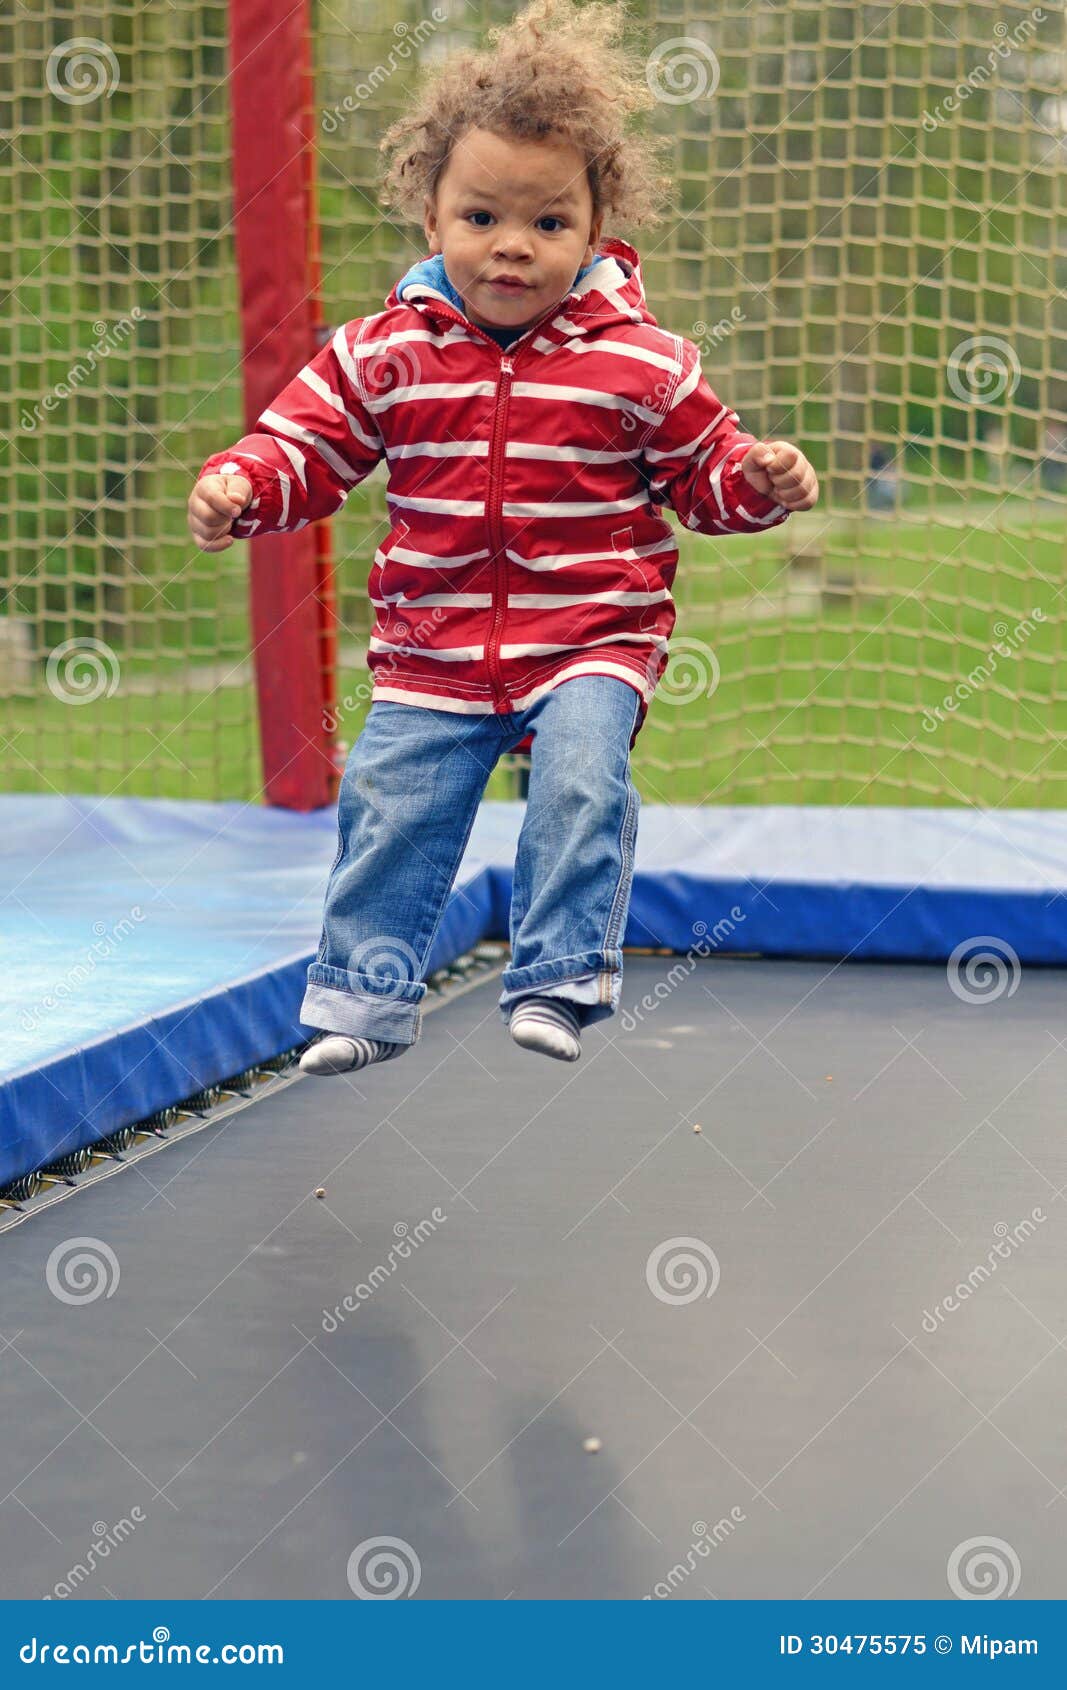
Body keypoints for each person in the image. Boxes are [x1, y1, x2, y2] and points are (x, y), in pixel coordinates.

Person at [187, 0, 818, 1076]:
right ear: (429, 218)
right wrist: (244, 483)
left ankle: (562, 977)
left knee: (580, 781)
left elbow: (700, 476)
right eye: (481, 218)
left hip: (590, 633)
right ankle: (360, 1001)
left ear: (593, 230)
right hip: (432, 646)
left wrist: (756, 482)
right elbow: (311, 447)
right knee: (387, 809)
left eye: (546, 224)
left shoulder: (641, 362)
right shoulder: (381, 353)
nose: (511, 247)